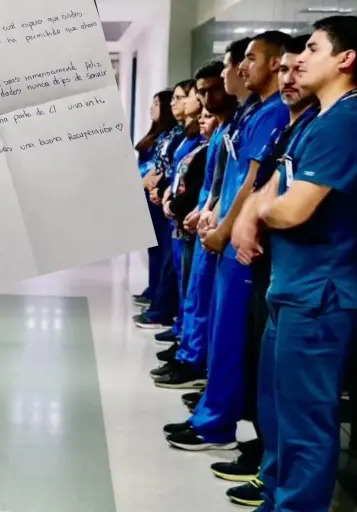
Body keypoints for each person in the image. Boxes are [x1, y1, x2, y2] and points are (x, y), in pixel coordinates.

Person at [235, 16, 357, 512]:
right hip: (292, 287)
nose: (299, 60)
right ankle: (276, 498)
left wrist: (258, 213)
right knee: (279, 409)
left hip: (321, 294)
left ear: (346, 60)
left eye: (314, 49)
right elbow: (274, 188)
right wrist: (255, 209)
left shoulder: (350, 122)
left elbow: (293, 208)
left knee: (305, 418)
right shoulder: (318, 119)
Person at [163, 31, 291, 451]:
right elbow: (228, 178)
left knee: (232, 336)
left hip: (239, 243)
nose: (236, 70)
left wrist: (224, 228)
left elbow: (253, 181)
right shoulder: (250, 113)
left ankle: (218, 420)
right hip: (223, 232)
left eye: (247, 60)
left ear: (272, 62)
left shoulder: (275, 113)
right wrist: (212, 214)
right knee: (220, 331)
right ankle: (212, 413)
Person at [217, 34, 319, 507]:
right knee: (272, 384)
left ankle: (285, 490)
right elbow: (265, 183)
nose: (290, 77)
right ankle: (270, 472)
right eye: (286, 69)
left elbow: (287, 204)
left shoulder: (339, 124)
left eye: (304, 62)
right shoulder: (291, 125)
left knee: (302, 406)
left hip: (309, 282)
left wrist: (250, 216)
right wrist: (242, 216)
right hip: (281, 275)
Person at [151, 59, 239, 389]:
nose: (203, 100)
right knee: (193, 292)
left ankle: (196, 362)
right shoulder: (214, 133)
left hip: (218, 228)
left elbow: (240, 182)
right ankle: (189, 352)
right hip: (200, 222)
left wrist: (209, 212)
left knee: (206, 301)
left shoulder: (235, 127)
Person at [133, 81, 192, 331]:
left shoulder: (184, 136)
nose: (174, 103)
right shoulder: (171, 135)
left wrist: (160, 186)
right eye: (173, 99)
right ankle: (158, 298)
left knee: (172, 259)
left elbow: (172, 170)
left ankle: (165, 310)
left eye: (180, 98)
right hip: (159, 195)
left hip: (174, 201)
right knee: (160, 252)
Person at [132, 91, 178, 309]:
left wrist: (145, 183)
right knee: (152, 245)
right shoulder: (157, 136)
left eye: (157, 103)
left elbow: (158, 168)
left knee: (161, 246)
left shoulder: (169, 137)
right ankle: (153, 288)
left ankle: (159, 294)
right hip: (146, 192)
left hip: (156, 194)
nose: (151, 108)